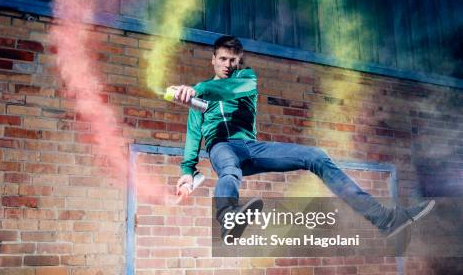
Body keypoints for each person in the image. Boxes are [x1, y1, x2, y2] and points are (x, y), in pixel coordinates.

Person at [171, 35, 434, 240]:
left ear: (239, 62)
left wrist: (197, 88)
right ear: (213, 59)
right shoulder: (199, 96)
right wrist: (187, 171)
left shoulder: (246, 79)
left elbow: (230, 90)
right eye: (223, 59)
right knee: (229, 170)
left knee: (316, 156)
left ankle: (384, 219)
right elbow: (194, 133)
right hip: (222, 148)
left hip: (252, 147)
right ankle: (228, 217)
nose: (228, 65)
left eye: (233, 60)